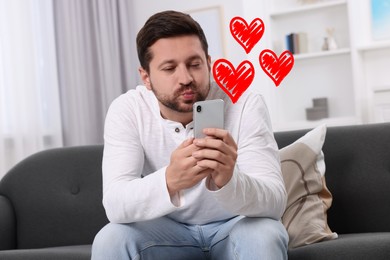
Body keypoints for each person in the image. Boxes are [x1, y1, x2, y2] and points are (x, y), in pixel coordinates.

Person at [92, 10, 288, 260]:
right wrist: (170, 180)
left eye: (194, 64)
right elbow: (115, 204)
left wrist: (229, 180)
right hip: (166, 234)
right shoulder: (128, 110)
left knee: (265, 234)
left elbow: (275, 201)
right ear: (146, 77)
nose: (185, 78)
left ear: (209, 63)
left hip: (236, 227)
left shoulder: (245, 104)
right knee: (110, 239)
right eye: (169, 68)